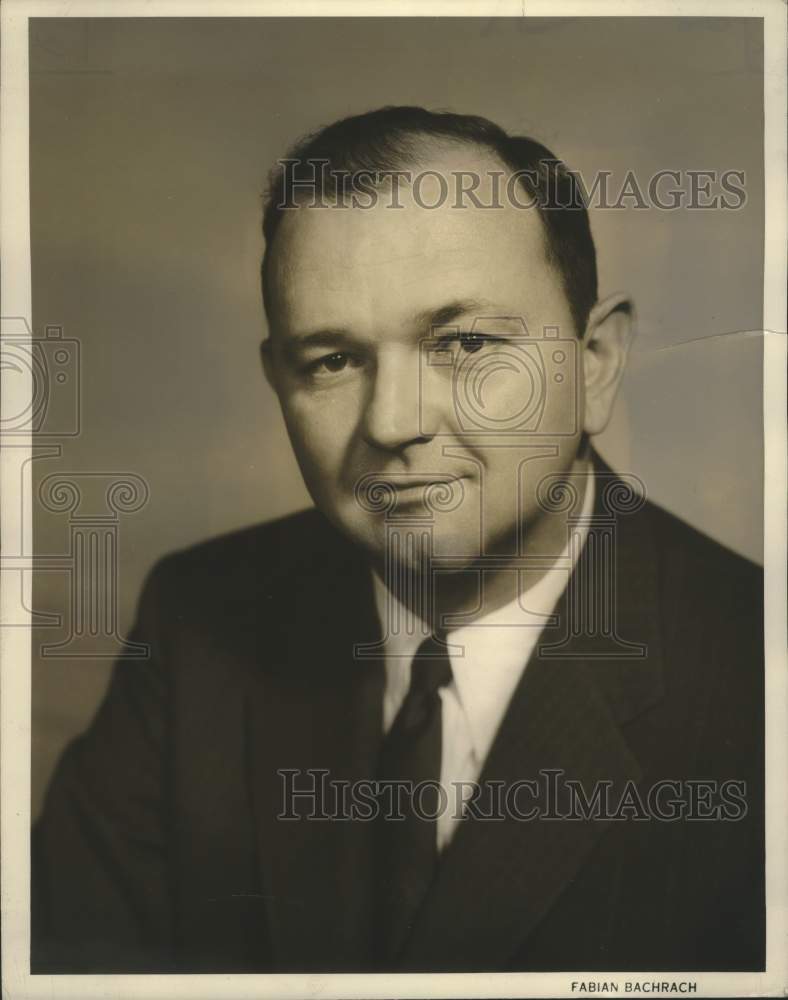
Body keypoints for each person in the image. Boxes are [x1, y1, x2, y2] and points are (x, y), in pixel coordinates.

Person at [32, 106, 764, 974]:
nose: (392, 422)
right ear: (279, 382)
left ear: (595, 362)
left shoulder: (758, 677)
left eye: (464, 342)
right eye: (332, 361)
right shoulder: (200, 618)